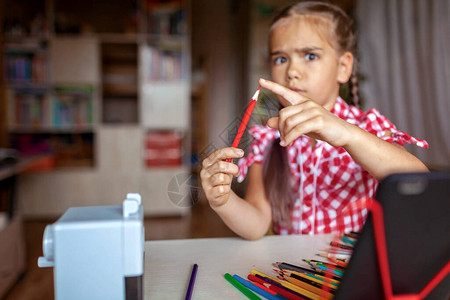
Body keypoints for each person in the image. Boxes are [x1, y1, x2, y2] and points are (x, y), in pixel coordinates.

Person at [200, 1, 429, 240]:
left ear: (343, 67)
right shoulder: (268, 139)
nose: (292, 71)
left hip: (349, 272)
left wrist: (347, 134)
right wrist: (223, 201)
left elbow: (419, 181)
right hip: (289, 273)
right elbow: (257, 223)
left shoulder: (366, 129)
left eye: (310, 55)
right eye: (280, 59)